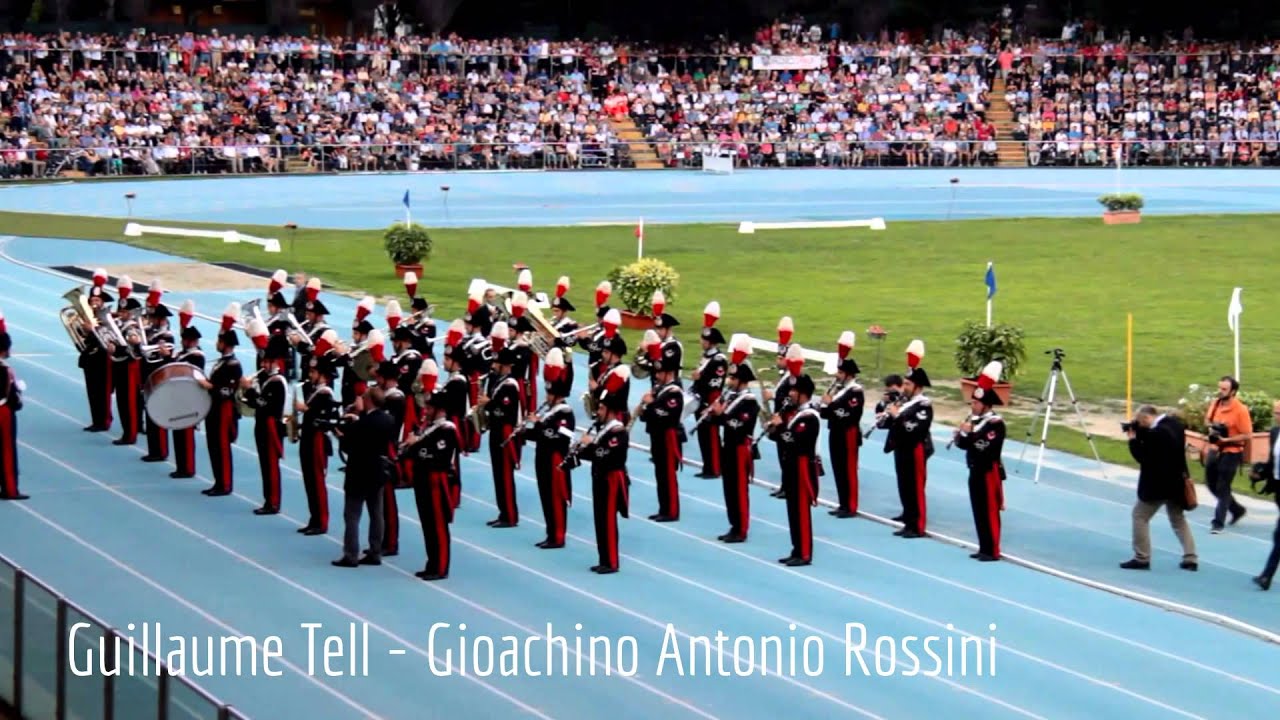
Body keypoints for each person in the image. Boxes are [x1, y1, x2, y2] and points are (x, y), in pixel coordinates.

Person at [1121, 404, 1198, 571]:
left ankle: (1142, 557)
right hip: (1177, 482)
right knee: (1178, 520)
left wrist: (1133, 440)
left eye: (1141, 422)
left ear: (1147, 418)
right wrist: (1140, 431)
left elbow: (1143, 456)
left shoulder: (1157, 435)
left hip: (1157, 486)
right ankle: (1190, 557)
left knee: (1139, 516)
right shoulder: (1175, 425)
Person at [332, 387, 398, 568]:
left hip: (359, 471)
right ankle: (375, 551)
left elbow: (349, 446)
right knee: (376, 513)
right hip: (377, 471)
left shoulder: (362, 423)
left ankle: (351, 554)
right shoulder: (389, 420)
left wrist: (341, 437)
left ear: (368, 401)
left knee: (352, 514)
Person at [952, 368, 1006, 561]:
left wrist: (970, 434)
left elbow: (985, 445)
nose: (972, 406)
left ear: (986, 404)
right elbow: (965, 445)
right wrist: (962, 435)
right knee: (978, 509)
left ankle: (992, 549)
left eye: (976, 403)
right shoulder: (977, 422)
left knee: (989, 511)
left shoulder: (995, 424)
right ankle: (983, 546)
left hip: (988, 471)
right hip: (974, 469)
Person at [405, 389, 459, 580]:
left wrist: (416, 446)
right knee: (427, 523)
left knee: (437, 525)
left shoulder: (447, 430)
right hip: (423, 478)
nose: (426, 410)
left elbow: (436, 457)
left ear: (439, 410)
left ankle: (441, 566)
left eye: (430, 407)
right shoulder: (428, 428)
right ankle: (432, 562)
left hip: (436, 480)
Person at [769, 374, 820, 566]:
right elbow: (783, 438)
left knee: (800, 511)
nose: (790, 394)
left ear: (803, 394)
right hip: (791, 465)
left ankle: (804, 552)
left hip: (802, 466)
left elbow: (795, 440)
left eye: (794, 391)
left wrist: (781, 427)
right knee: (792, 510)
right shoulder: (796, 414)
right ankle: (796, 548)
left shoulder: (809, 418)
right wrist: (774, 429)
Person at [886, 341, 933, 538]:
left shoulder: (923, 405)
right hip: (901, 448)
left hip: (915, 448)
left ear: (917, 387)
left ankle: (917, 525)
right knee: (904, 484)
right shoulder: (905, 402)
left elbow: (915, 429)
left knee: (914, 486)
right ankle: (908, 518)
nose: (904, 387)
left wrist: (897, 416)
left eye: (908, 384)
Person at [581, 386, 630, 574]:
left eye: (601, 408)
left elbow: (607, 455)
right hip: (600, 476)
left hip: (611, 479)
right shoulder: (604, 430)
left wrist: (590, 446)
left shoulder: (618, 432)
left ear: (610, 410)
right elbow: (595, 453)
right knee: (599, 519)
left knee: (608, 520)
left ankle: (611, 561)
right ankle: (603, 558)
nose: (598, 411)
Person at [530, 348, 575, 548]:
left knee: (555, 500)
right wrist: (523, 433)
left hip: (556, 462)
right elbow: (542, 434)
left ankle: (558, 536)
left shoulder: (565, 414)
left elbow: (558, 439)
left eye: (549, 392)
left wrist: (538, 425)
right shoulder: (551, 413)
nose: (546, 396)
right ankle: (550, 533)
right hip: (543, 458)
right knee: (546, 498)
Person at [709, 362, 759, 542]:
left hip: (740, 448)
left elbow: (738, 425)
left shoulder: (749, 403)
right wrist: (714, 414)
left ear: (742, 381)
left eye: (734, 378)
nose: (730, 381)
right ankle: (733, 525)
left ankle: (741, 528)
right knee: (729, 488)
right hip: (728, 445)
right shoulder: (730, 397)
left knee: (739, 489)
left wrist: (720, 416)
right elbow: (721, 420)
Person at [241, 333, 289, 514]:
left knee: (270, 466)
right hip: (262, 425)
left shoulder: (277, 382)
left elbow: (264, 405)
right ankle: (268, 499)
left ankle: (273, 502)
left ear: (275, 362)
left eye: (267, 362)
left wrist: (250, 390)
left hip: (271, 427)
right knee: (264, 464)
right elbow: (256, 403)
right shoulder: (267, 379)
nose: (263, 365)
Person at [297, 355, 340, 535]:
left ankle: (321, 521)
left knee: (317, 481)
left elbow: (322, 416)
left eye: (313, 372)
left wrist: (304, 409)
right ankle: (313, 518)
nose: (310, 374)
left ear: (322, 374)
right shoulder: (313, 389)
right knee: (308, 480)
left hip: (317, 440)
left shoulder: (325, 394)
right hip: (307, 437)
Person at [1203, 376, 1251, 533]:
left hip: (1232, 451)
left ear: (1233, 391)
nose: (1220, 391)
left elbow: (1247, 435)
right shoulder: (1215, 404)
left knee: (1223, 486)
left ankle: (1218, 522)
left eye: (1224, 389)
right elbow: (1207, 420)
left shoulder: (1240, 410)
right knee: (1210, 484)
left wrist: (1227, 438)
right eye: (1220, 388)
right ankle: (1236, 509)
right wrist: (1212, 430)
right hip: (1214, 448)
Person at [481, 348, 523, 527]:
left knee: (505, 475)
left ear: (505, 365)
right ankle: (503, 511)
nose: (493, 365)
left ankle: (510, 515)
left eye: (496, 363)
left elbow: (504, 411)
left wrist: (488, 404)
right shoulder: (499, 381)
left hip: (505, 434)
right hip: (497, 431)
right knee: (498, 474)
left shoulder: (509, 386)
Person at [639, 355, 684, 522]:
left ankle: (671, 511)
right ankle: (663, 508)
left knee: (668, 475)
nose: (657, 376)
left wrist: (650, 405)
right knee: (660, 474)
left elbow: (665, 415)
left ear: (669, 373)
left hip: (667, 436)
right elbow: (650, 414)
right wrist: (645, 407)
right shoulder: (659, 389)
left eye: (660, 373)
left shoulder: (674, 392)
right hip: (656, 435)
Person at [819, 356, 864, 518]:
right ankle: (842, 503)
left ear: (849, 375)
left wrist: (830, 405)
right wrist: (825, 405)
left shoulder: (855, 392)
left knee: (848, 469)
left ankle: (850, 505)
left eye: (840, 372)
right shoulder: (839, 390)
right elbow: (825, 414)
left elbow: (849, 415)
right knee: (838, 468)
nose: (837, 375)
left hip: (848, 433)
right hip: (836, 431)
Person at [200, 328, 243, 497]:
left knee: (222, 446)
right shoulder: (222, 362)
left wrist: (211, 387)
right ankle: (218, 481)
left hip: (224, 409)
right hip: (214, 407)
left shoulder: (233, 365)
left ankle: (225, 484)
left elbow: (229, 391)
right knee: (213, 445)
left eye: (219, 341)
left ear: (225, 344)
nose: (217, 344)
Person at [690, 322, 727, 479]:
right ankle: (707, 465)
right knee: (703, 435)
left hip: (711, 401)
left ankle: (715, 468)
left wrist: (700, 379)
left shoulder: (719, 360)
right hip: (701, 399)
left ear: (711, 342)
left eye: (704, 340)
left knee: (711, 435)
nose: (702, 342)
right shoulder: (706, 357)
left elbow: (716, 383)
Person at [140, 303, 175, 463]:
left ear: (161, 319)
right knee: (150, 414)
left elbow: (163, 358)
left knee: (157, 414)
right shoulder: (148, 332)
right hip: (148, 376)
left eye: (154, 317)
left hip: (159, 377)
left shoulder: (167, 337)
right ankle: (153, 449)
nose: (151, 320)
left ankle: (160, 451)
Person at [169, 323, 205, 479]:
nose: (183, 342)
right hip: (178, 395)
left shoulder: (196, 356)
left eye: (186, 340)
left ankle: (188, 467)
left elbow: (186, 372)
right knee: (178, 432)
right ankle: (181, 466)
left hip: (189, 397)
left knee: (186, 434)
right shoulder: (181, 353)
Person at [78, 281, 114, 432]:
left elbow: (107, 336)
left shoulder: (106, 317)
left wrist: (91, 330)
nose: (94, 303)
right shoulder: (87, 317)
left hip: (102, 358)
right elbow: (81, 335)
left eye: (97, 300)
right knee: (92, 391)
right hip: (90, 358)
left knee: (103, 391)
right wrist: (83, 329)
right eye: (92, 300)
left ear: (102, 302)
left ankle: (104, 420)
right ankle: (96, 420)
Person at [1252, 401, 1280, 590]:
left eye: (1279, 412)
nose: (1276, 415)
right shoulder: (1275, 433)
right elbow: (1273, 462)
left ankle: (1266, 576)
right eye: (1275, 412)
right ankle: (1266, 575)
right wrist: (1260, 473)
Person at [0, 330, 25, 500]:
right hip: (2, 412)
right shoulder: (5, 370)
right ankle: (9, 489)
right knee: (7, 451)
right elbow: (11, 396)